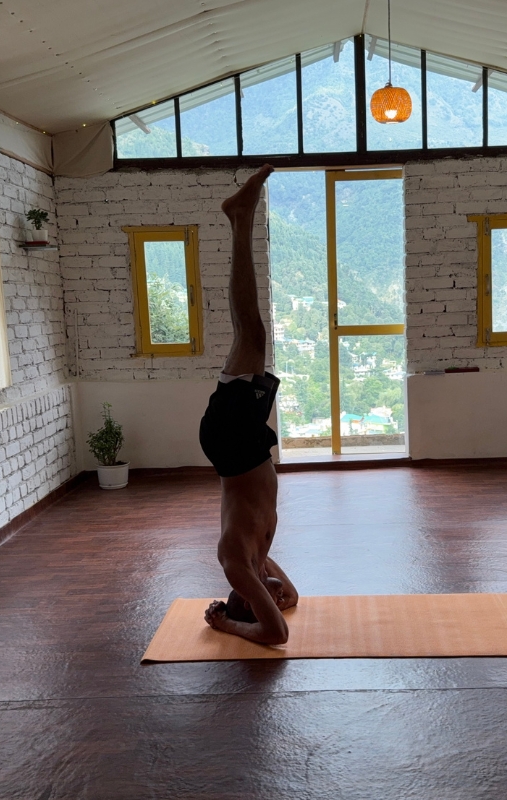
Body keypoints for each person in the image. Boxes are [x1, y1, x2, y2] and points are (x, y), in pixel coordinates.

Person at [199, 164, 299, 645]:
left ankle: (240, 219)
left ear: (245, 595)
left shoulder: (237, 565)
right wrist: (273, 587)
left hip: (234, 445)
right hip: (247, 447)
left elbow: (276, 634)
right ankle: (239, 219)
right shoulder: (254, 564)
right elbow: (293, 598)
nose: (275, 593)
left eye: (263, 594)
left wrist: (228, 626)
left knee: (252, 333)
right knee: (253, 335)